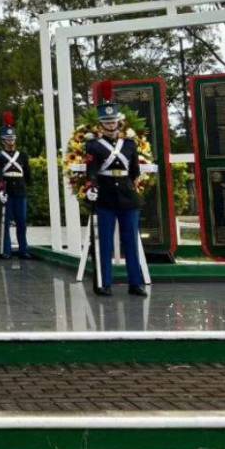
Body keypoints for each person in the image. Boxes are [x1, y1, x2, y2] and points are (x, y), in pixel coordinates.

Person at [85, 81, 145, 297]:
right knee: (105, 243)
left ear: (118, 123)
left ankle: (135, 283)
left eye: (113, 121)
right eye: (106, 122)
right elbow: (91, 169)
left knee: (131, 241)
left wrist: (132, 186)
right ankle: (105, 282)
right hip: (106, 197)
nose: (110, 125)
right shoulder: (93, 145)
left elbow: (135, 170)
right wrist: (92, 186)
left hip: (128, 197)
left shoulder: (129, 144)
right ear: (101, 125)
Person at [0, 110, 33, 260]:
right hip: (7, 190)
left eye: (12, 138)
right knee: (6, 222)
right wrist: (0, 189)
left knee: (21, 222)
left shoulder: (22, 155)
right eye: (7, 139)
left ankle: (23, 249)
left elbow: (27, 172)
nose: (10, 141)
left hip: (20, 191)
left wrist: (28, 185)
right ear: (3, 140)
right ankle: (6, 250)